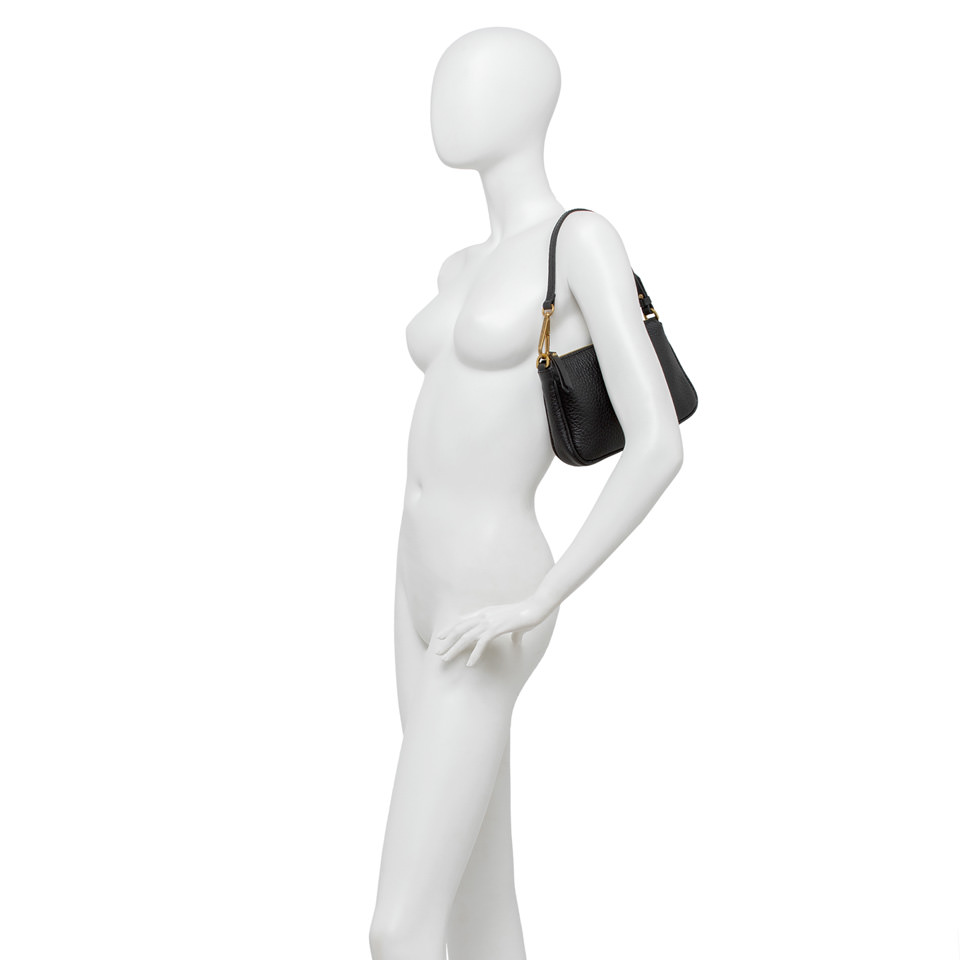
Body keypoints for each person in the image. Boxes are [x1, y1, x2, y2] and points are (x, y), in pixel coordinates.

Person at [369, 26, 684, 960]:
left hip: (493, 590)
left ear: (531, 101)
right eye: (444, 78)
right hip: (413, 581)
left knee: (399, 927)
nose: (447, 97)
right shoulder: (459, 267)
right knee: (477, 905)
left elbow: (658, 444)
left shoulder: (579, 241)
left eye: (473, 80)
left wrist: (542, 597)